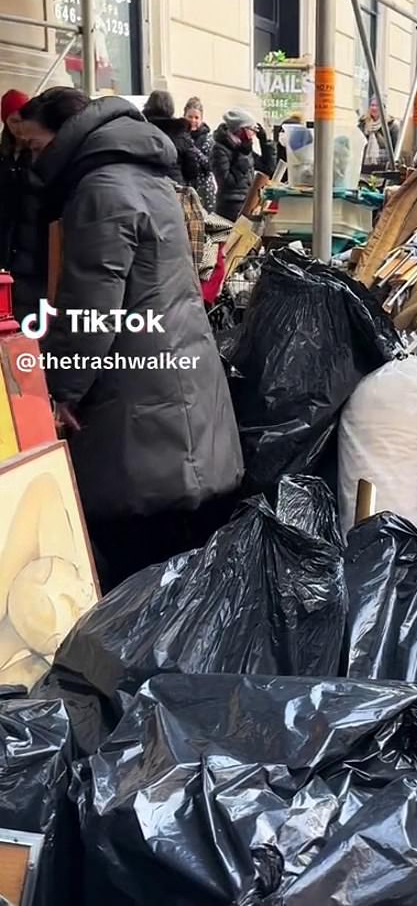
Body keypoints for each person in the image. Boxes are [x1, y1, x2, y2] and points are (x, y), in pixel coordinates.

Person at [19, 89, 244, 591]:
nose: (31, 160)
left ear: (65, 135)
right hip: (177, 387)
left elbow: (89, 308)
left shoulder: (99, 189)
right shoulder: (146, 175)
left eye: (35, 147)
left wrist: (59, 392)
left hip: (144, 413)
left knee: (142, 586)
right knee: (184, 582)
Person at [0, 89, 50, 324]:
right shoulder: (4, 156)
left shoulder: (39, 153)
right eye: (13, 122)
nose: (19, 129)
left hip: (33, 251)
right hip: (8, 246)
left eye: (22, 121)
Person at [211, 108, 276, 222]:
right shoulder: (219, 149)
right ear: (240, 130)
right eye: (252, 130)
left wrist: (264, 143)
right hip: (229, 208)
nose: (254, 134)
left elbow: (268, 169)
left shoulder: (244, 148)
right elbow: (226, 181)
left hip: (248, 203)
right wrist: (242, 157)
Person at [184, 96, 217, 212]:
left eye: (196, 118)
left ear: (201, 119)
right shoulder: (180, 136)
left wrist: (194, 150)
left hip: (204, 191)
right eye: (190, 117)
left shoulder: (208, 139)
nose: (193, 121)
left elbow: (210, 165)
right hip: (185, 189)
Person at [358, 95, 399, 174]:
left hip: (383, 168)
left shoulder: (391, 125)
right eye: (372, 105)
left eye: (377, 105)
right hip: (365, 167)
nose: (374, 108)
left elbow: (395, 148)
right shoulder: (363, 124)